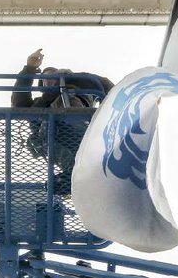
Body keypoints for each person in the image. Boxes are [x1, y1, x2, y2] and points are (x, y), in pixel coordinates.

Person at [12, 49, 114, 194]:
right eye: (45, 78)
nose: (49, 80)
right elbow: (19, 104)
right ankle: (71, 179)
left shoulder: (76, 93)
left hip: (76, 133)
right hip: (51, 140)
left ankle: (74, 177)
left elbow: (103, 84)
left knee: (62, 104)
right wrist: (29, 68)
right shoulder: (39, 104)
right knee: (73, 165)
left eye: (54, 76)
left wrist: (71, 78)